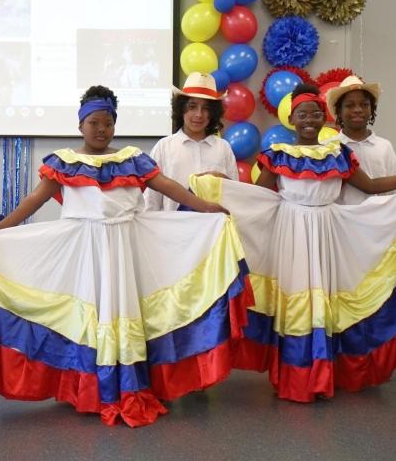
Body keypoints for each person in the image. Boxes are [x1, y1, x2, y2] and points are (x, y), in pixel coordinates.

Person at [0, 85, 254, 427]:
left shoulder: (130, 159)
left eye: (107, 123)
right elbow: (32, 201)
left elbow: (168, 186)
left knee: (123, 310)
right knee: (89, 316)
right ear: (81, 124)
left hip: (125, 247)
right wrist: (0, 228)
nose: (101, 129)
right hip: (83, 252)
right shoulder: (65, 163)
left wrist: (205, 208)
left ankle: (127, 382)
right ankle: (89, 385)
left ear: (115, 125)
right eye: (94, 122)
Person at [189, 83, 396, 403]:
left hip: (328, 231)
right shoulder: (277, 156)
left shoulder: (338, 154)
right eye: (303, 114)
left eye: (315, 113)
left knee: (323, 298)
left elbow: (369, 186)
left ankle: (323, 371)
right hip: (292, 233)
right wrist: (225, 186)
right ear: (292, 120)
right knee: (299, 298)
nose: (310, 119)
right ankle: (296, 375)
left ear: (324, 118)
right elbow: (259, 196)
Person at [144, 72, 238, 212]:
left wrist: (223, 180)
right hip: (175, 229)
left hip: (214, 228)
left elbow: (235, 195)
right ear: (181, 108)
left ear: (213, 113)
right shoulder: (164, 147)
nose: (199, 114)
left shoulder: (223, 148)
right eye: (192, 106)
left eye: (206, 108)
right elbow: (151, 201)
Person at [324, 75, 396, 204]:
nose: (357, 110)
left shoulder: (384, 146)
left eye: (364, 104)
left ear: (371, 109)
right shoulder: (330, 147)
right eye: (349, 105)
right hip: (343, 220)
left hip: (378, 219)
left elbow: (392, 190)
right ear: (339, 111)